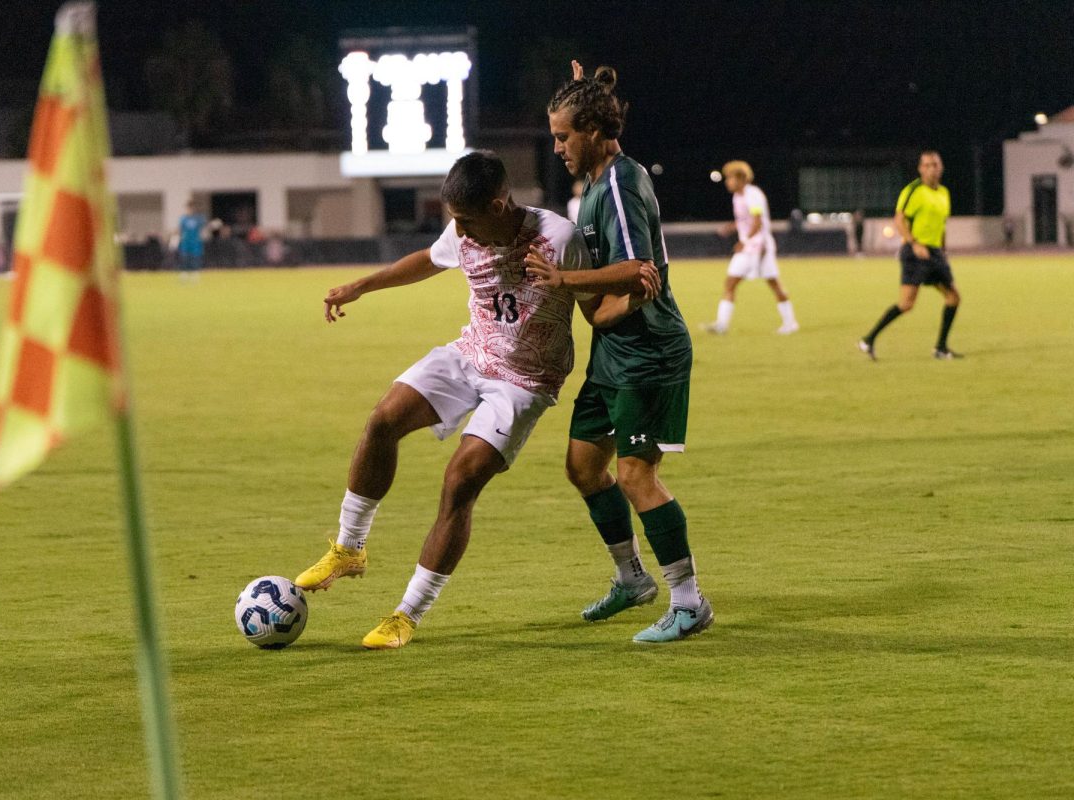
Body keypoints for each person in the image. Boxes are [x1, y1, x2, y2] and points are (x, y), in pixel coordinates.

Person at [293, 150, 655, 649]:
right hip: (470, 353)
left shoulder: (558, 239)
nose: (460, 232)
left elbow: (595, 312)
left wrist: (637, 296)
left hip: (524, 380)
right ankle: (349, 547)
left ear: (500, 206)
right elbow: (427, 260)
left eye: (467, 221)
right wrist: (362, 286)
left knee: (460, 481)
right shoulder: (463, 230)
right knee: (383, 419)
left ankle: (406, 615)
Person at [526, 61, 713, 644]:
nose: (556, 147)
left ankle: (689, 601)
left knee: (635, 475)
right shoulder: (595, 186)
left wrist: (563, 283)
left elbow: (640, 270)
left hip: (650, 353)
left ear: (591, 131)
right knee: (583, 467)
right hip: (614, 350)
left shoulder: (623, 183)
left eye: (562, 136)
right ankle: (633, 579)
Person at [859, 150, 962, 360]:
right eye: (927, 165)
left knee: (953, 298)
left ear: (941, 168)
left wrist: (944, 251)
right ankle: (868, 339)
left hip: (935, 253)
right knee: (906, 304)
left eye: (935, 164)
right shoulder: (913, 190)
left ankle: (941, 348)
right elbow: (899, 220)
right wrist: (914, 244)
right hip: (915, 253)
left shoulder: (943, 193)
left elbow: (941, 225)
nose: (932, 169)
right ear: (920, 169)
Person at [701, 161, 799, 335]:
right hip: (748, 247)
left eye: (730, 177)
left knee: (773, 283)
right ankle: (722, 325)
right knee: (730, 282)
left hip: (761, 247)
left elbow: (757, 221)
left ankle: (790, 323)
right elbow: (744, 221)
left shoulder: (753, 194)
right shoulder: (737, 197)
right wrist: (730, 227)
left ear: (741, 178)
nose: (727, 181)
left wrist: (744, 240)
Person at [176, 201, 206, 280]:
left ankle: (195, 273)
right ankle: (184, 273)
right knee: (185, 257)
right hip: (186, 241)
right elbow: (180, 230)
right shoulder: (183, 218)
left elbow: (204, 225)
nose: (190, 210)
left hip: (195, 241)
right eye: (188, 208)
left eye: (191, 208)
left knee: (195, 257)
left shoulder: (198, 218)